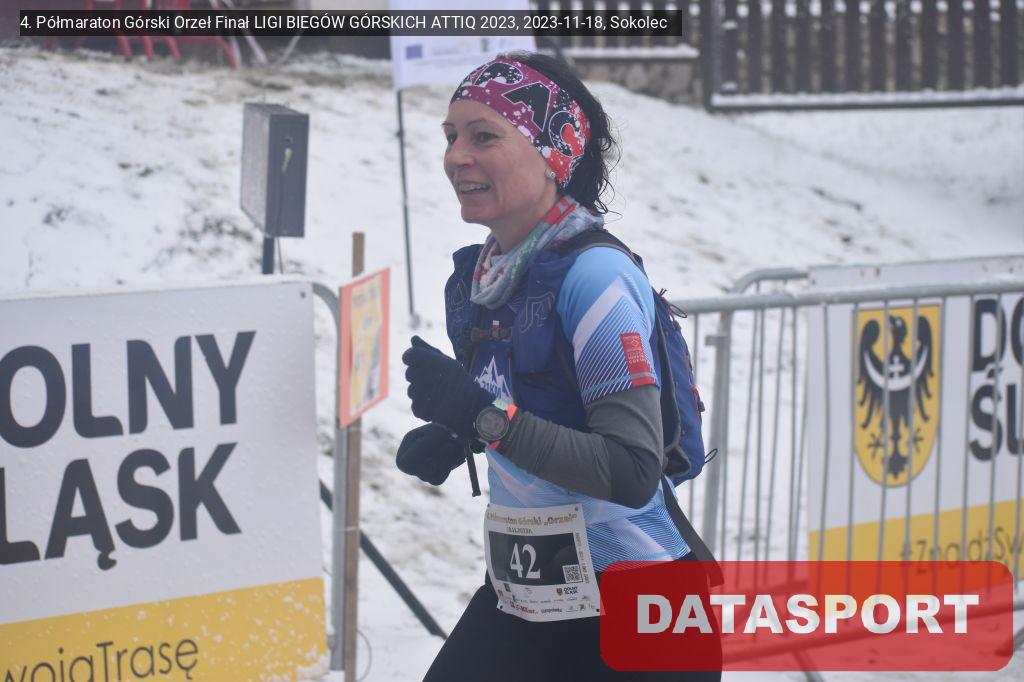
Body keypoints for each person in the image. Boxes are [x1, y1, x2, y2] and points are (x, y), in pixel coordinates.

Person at [397, 52, 721, 681]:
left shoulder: (595, 277)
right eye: (451, 136)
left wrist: (482, 417)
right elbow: (541, 408)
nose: (456, 156)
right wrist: (459, 435)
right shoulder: (488, 278)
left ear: (553, 155)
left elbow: (631, 470)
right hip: (533, 593)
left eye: (484, 136)